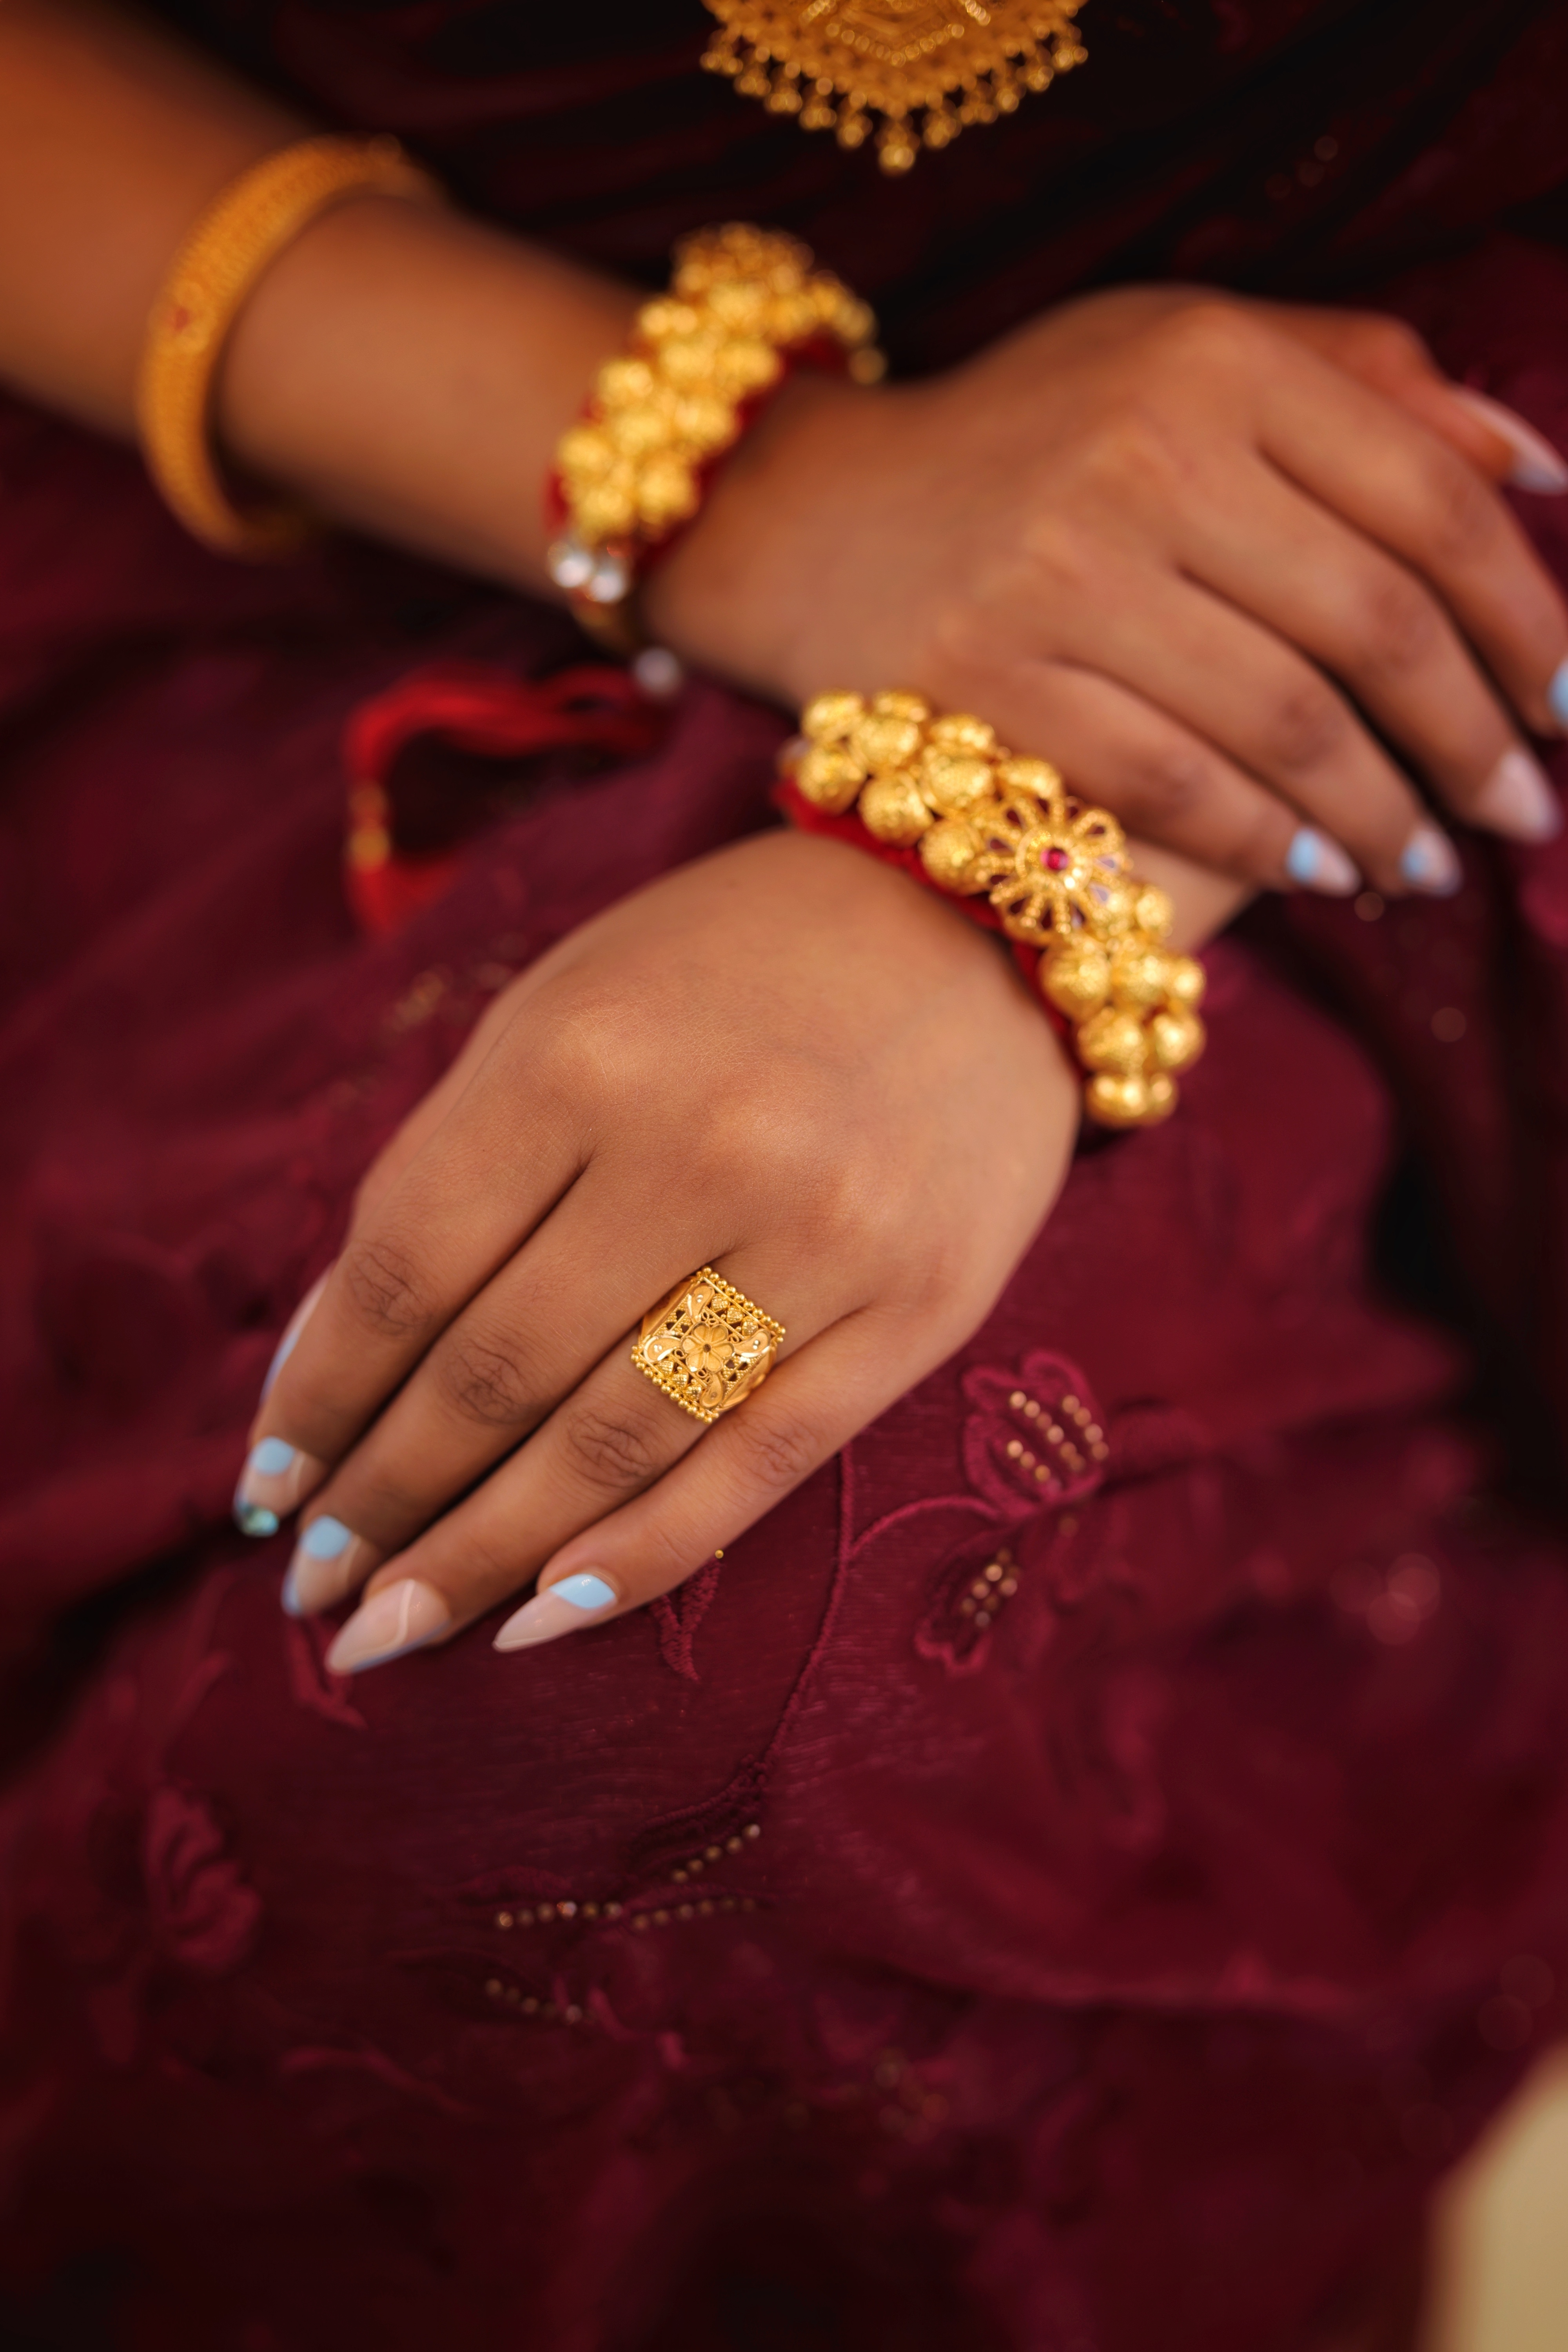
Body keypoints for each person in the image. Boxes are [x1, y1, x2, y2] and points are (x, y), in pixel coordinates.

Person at [3, 0, 1568, 2343]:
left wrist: (1023, 860)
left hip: (1425, 597)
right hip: (242, 440)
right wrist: (753, 491)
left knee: (634, 1686)